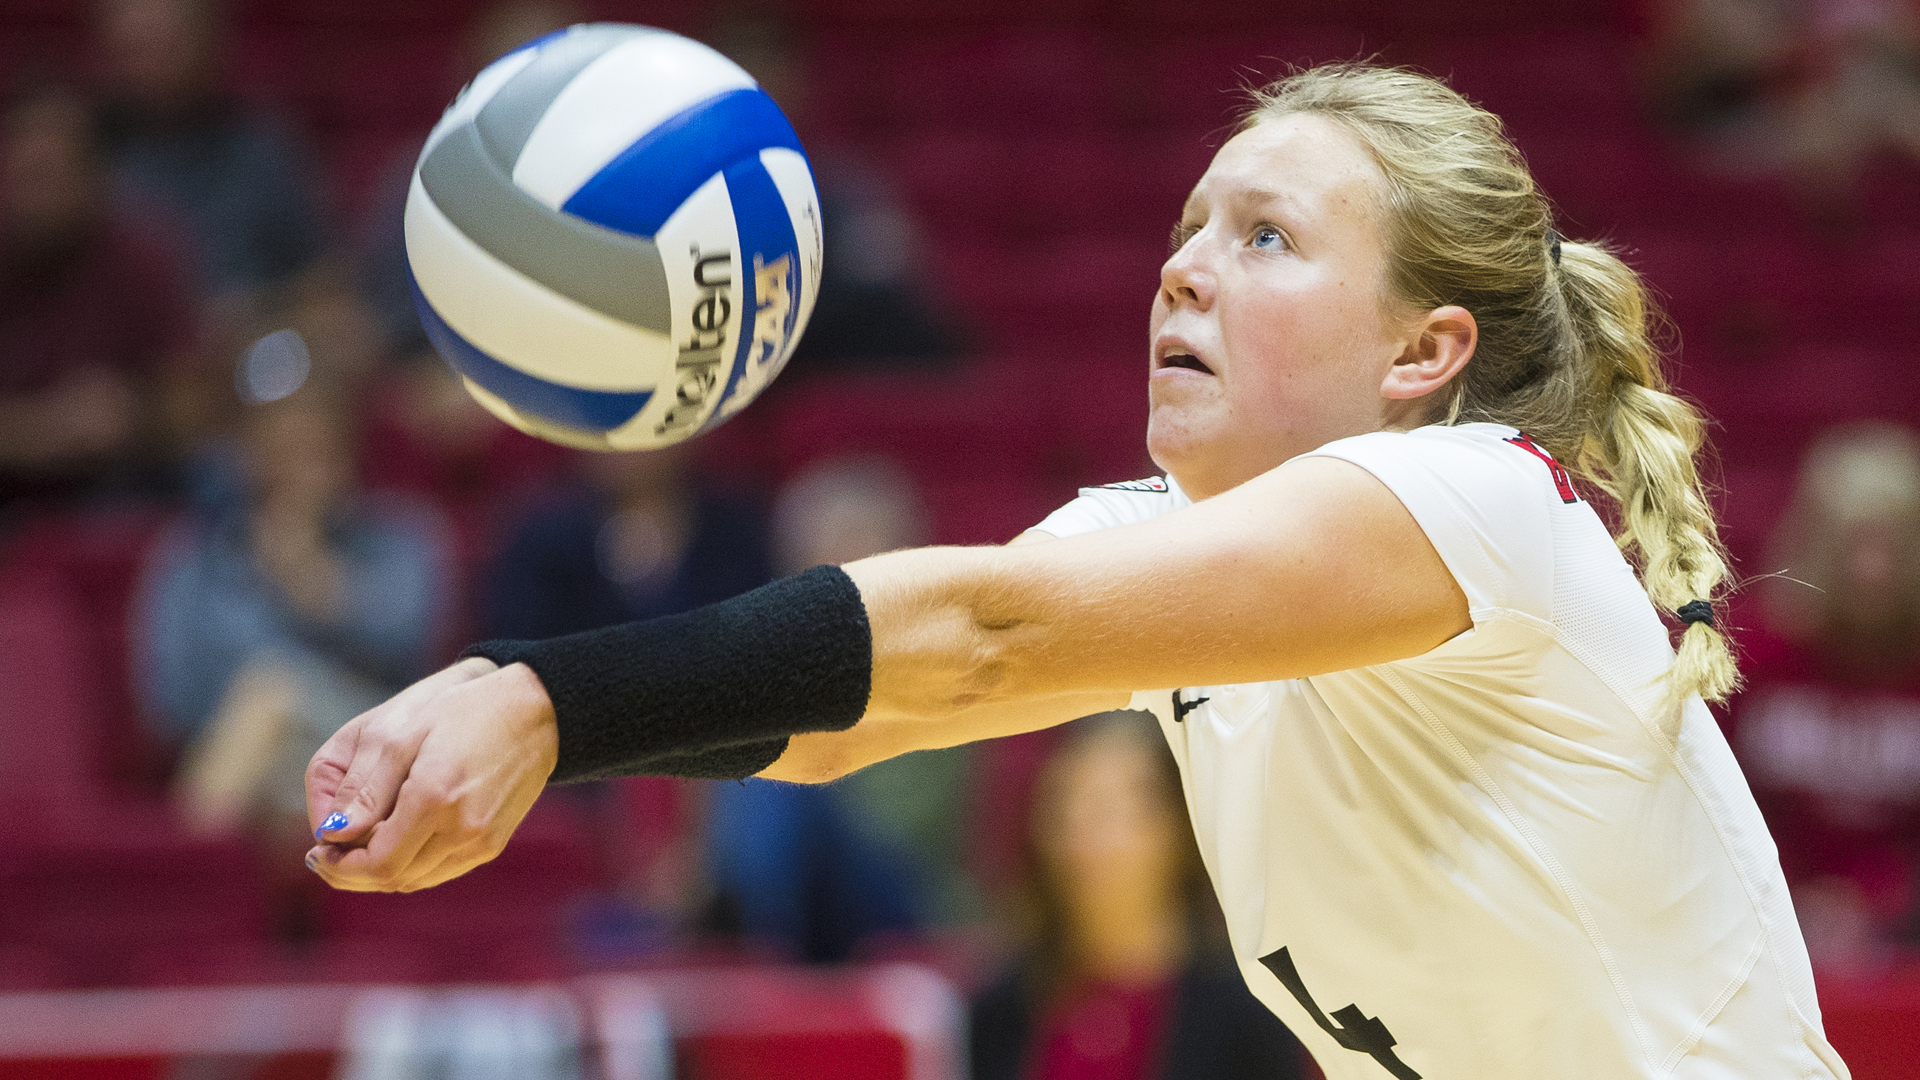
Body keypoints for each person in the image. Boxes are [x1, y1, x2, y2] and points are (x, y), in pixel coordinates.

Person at [301, 64, 1849, 1079]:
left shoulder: (1481, 500)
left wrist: (545, 700)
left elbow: (980, 632)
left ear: (1422, 352)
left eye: (1265, 239)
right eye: (1189, 228)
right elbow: (872, 704)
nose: (1180, 266)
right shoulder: (1150, 546)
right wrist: (531, 735)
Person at [971, 710, 1304, 1080]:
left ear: (1177, 826)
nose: (1081, 834)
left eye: (1108, 809)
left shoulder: (1250, 1013)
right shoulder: (1000, 1010)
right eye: (1065, 806)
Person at [1725, 422, 1920, 969]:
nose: (1871, 570)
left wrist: (1877, 902)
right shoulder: (1753, 659)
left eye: (1892, 547)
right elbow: (1712, 806)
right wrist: (1793, 898)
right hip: (1759, 918)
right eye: (1852, 544)